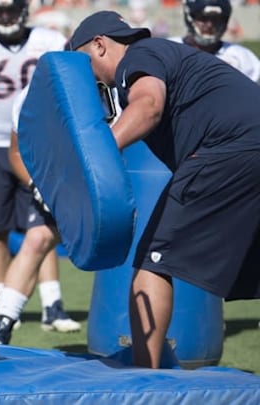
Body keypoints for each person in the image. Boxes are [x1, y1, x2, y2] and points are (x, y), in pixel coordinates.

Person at [68, 10, 260, 368]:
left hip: (229, 147)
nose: (87, 77)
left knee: (153, 260)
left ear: (100, 45)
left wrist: (97, 155)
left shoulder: (136, 59)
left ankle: (146, 374)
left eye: (85, 63)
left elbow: (149, 106)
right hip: (247, 146)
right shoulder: (166, 54)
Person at [0, 0, 79, 341]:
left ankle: (53, 304)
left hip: (38, 143)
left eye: (12, 9)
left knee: (44, 223)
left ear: (24, 10)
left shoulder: (49, 40)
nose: (6, 16)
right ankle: (7, 301)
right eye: (0, 9)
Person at [172, 0, 259, 82]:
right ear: (190, 17)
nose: (210, 25)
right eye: (203, 18)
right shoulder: (171, 50)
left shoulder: (242, 57)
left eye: (216, 19)